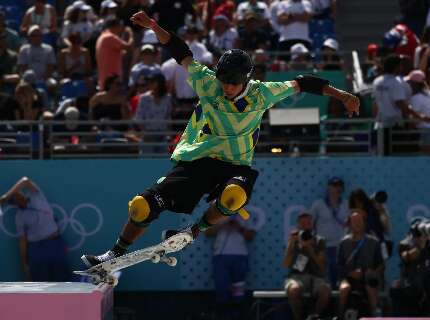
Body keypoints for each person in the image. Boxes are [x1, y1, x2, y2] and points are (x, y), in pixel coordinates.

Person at [80, 10, 360, 268]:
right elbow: (181, 51)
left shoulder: (262, 93)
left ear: (246, 80)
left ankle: (192, 232)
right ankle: (113, 254)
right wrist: (154, 26)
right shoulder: (208, 81)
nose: (226, 87)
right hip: (197, 160)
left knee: (234, 196)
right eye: (224, 81)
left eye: (233, 83)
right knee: (140, 206)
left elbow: (305, 82)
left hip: (235, 165)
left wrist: (343, 95)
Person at [0, 177, 70, 282]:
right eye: (14, 197)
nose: (18, 195)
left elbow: (25, 181)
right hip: (36, 249)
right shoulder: (19, 217)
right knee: (40, 282)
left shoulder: (36, 196)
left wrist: (6, 196)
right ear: (14, 203)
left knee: (63, 280)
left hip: (55, 243)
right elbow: (22, 241)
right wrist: (25, 265)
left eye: (17, 192)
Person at [390, 218, 430, 316]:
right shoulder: (405, 244)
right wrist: (420, 245)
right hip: (412, 283)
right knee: (398, 291)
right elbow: (406, 257)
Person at [205, 215, 256, 320]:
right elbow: (207, 233)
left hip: (240, 256)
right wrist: (222, 224)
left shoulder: (245, 216)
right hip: (220, 256)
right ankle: (223, 315)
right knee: (221, 289)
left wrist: (239, 227)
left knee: (239, 290)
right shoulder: (216, 214)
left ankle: (238, 314)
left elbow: (250, 237)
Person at [283, 212, 331, 320]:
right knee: (293, 290)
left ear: (312, 225)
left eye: (308, 224)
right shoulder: (294, 240)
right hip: (297, 276)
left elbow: (322, 266)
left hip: (317, 277)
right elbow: (286, 264)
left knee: (325, 291)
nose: (305, 227)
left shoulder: (319, 240)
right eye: (302, 224)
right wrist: (291, 243)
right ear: (298, 226)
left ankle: (314, 317)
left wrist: (310, 248)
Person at [337, 210, 384, 318]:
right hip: (349, 277)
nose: (357, 223)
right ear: (350, 224)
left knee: (371, 289)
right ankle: (339, 315)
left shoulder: (374, 242)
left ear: (364, 223)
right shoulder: (343, 243)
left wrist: (373, 272)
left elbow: (381, 264)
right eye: (354, 221)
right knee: (344, 289)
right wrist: (350, 273)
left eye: (359, 221)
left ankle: (375, 316)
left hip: (368, 277)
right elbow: (339, 265)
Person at [309, 177, 349, 289]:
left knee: (339, 269)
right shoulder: (318, 204)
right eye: (334, 185)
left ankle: (337, 291)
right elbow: (310, 223)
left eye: (339, 186)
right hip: (324, 245)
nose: (336, 188)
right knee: (325, 270)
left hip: (341, 245)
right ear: (328, 187)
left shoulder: (346, 204)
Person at [134, 73, 173, 154]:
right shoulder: (144, 98)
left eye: (152, 81)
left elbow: (168, 116)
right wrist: (145, 133)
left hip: (163, 135)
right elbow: (139, 117)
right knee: (147, 162)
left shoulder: (168, 98)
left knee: (162, 161)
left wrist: (167, 134)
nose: (149, 84)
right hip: (148, 134)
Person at [96, 18, 134, 90]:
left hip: (105, 78)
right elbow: (129, 47)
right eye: (120, 26)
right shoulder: (110, 37)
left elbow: (121, 53)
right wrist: (130, 33)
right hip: (112, 80)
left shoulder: (102, 37)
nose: (121, 29)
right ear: (115, 26)